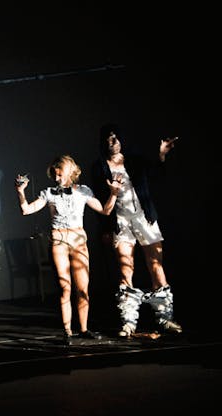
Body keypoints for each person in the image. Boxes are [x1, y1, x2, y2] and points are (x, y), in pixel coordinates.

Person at [16, 155, 121, 345]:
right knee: (66, 287)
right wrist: (21, 192)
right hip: (59, 241)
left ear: (70, 172)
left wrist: (113, 193)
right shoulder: (48, 193)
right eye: (54, 175)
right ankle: (67, 331)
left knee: (83, 289)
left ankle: (83, 328)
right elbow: (27, 210)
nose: (56, 178)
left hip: (79, 241)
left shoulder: (83, 191)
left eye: (60, 174)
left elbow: (105, 210)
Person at [90, 123, 182, 337]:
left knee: (155, 265)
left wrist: (161, 155)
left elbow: (157, 174)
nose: (112, 142)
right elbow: (98, 198)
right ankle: (129, 322)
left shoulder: (134, 160)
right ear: (103, 142)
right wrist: (104, 228)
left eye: (116, 137)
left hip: (143, 216)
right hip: (120, 220)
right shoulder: (99, 166)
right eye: (108, 138)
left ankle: (165, 318)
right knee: (125, 269)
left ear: (122, 139)